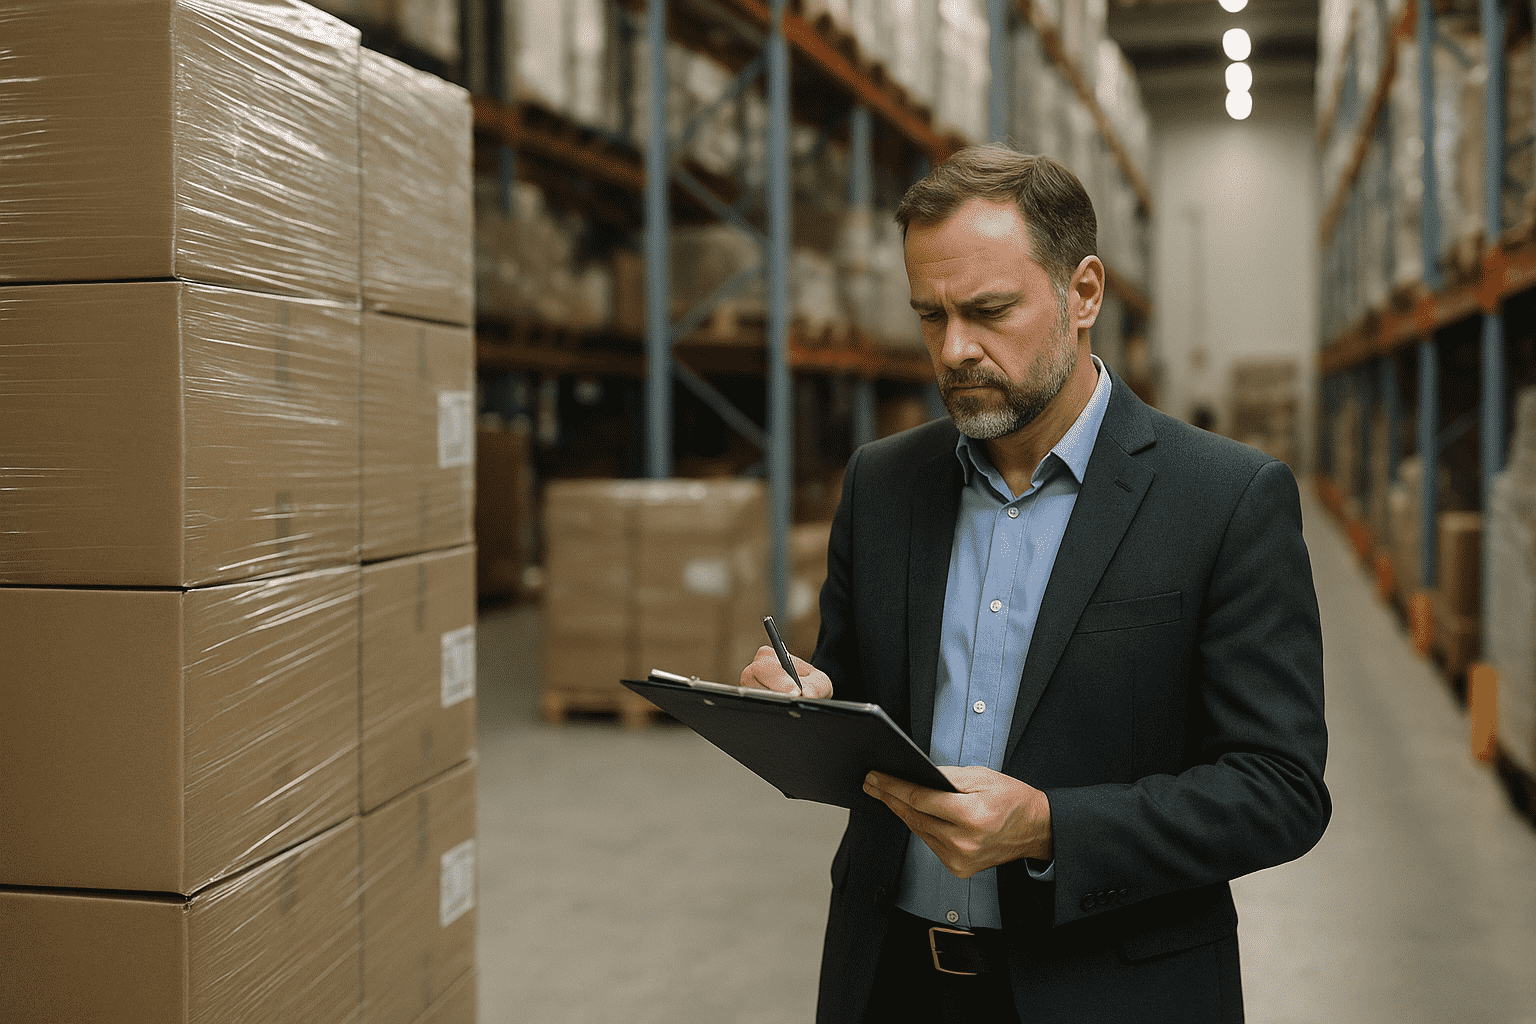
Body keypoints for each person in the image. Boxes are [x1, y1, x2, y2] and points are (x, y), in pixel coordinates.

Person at [740, 145, 1330, 1024]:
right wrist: (808, 701)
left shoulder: (1226, 499)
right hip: (892, 983)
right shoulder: (882, 483)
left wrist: (1052, 825)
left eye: (988, 310)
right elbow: (861, 698)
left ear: (1082, 292)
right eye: (929, 316)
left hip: (1111, 990)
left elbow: (1280, 789)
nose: (955, 350)